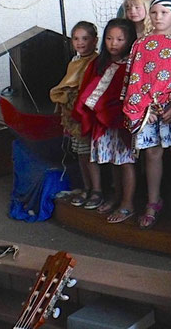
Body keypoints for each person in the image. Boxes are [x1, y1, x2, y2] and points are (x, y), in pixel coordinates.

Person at [122, 0, 171, 229]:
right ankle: (154, 201)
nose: (158, 17)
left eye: (164, 12)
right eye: (154, 12)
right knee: (152, 154)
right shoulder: (141, 43)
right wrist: (143, 107)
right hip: (149, 110)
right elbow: (134, 77)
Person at [72, 19, 138, 224]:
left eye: (120, 39)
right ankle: (116, 196)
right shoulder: (99, 62)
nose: (114, 43)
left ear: (129, 40)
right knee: (112, 161)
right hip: (103, 123)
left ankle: (128, 203)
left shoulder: (132, 64)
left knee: (125, 163)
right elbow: (88, 90)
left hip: (121, 121)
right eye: (109, 38)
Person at [49, 21, 98, 208]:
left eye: (85, 38)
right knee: (79, 153)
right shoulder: (74, 61)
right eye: (76, 39)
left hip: (86, 115)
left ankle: (97, 190)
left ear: (95, 40)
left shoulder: (94, 62)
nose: (80, 43)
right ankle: (87, 186)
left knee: (89, 154)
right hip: (72, 115)